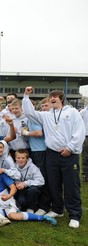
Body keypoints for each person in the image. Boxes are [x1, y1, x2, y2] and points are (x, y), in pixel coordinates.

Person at [22, 87, 85, 228]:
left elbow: (80, 131)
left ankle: (75, 214)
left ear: (61, 99)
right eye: (51, 96)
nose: (52, 98)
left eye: (55, 96)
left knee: (71, 184)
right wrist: (26, 96)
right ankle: (57, 209)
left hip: (69, 154)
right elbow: (29, 112)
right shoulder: (46, 115)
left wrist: (70, 148)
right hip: (52, 154)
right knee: (53, 184)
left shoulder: (72, 112)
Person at [0, 153, 56, 225]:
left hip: (4, 196)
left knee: (12, 216)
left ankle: (42, 218)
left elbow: (13, 187)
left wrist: (9, 196)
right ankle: (4, 213)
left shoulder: (1, 172)